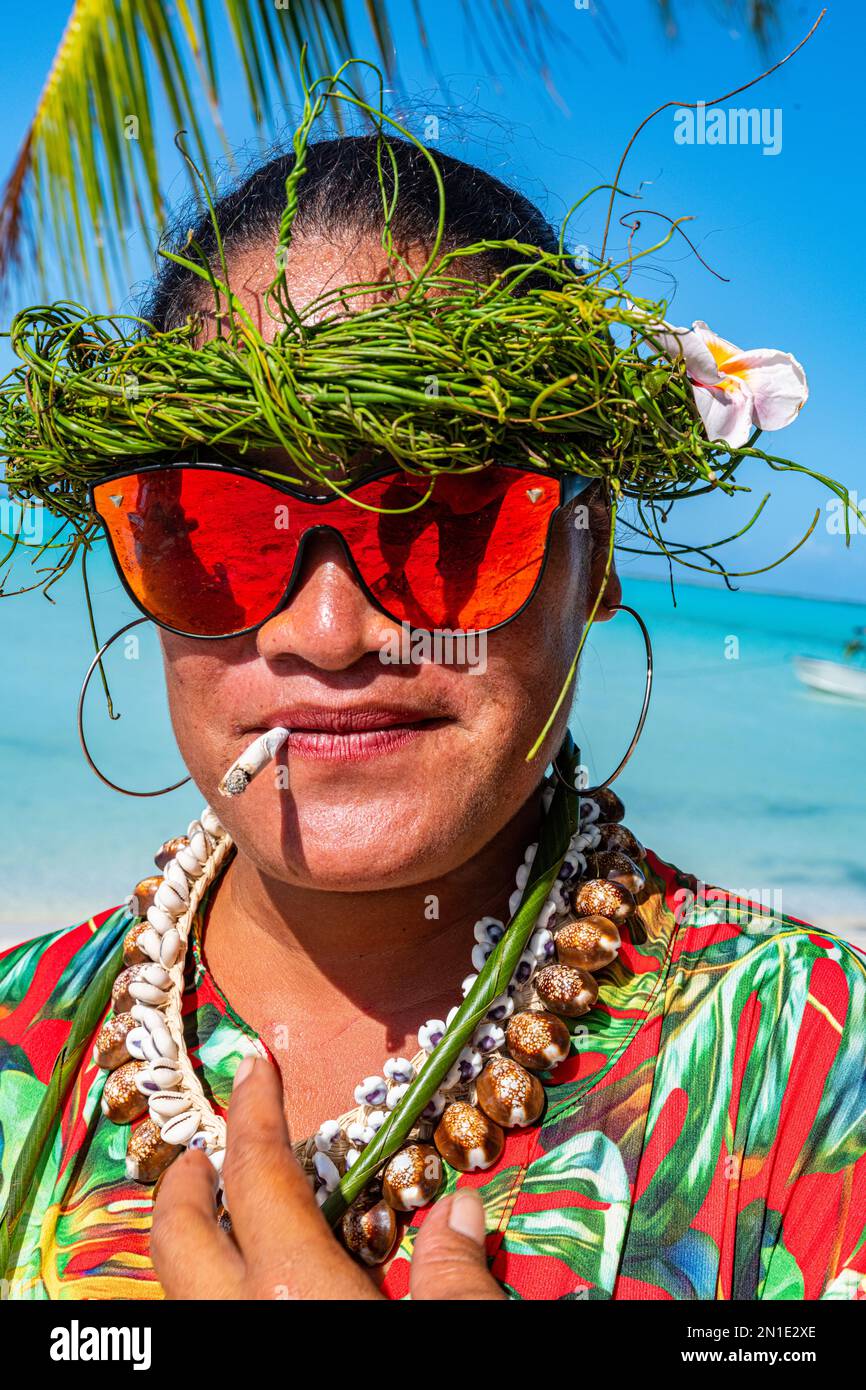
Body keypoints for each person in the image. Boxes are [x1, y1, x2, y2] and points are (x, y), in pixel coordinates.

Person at [1, 137, 864, 1302]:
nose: (324, 628)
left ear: (591, 548)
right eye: (214, 522)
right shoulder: (21, 1039)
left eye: (441, 513)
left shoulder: (814, 1084)